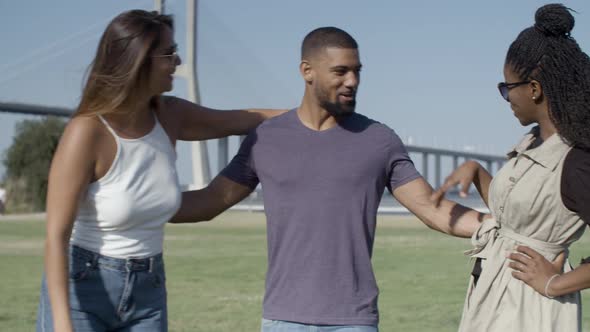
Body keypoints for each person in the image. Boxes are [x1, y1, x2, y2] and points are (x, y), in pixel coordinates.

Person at [171, 27, 485, 332]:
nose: (352, 81)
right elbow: (209, 202)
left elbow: (433, 209)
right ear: (307, 71)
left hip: (354, 320)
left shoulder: (379, 140)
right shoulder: (266, 138)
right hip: (283, 320)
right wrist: (132, 204)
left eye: (357, 71)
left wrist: (500, 225)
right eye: (340, 71)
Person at [36, 10, 284, 332]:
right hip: (83, 286)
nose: (178, 61)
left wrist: (313, 115)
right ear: (137, 61)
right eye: (168, 53)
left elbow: (245, 118)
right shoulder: (87, 132)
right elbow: (56, 236)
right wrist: (62, 324)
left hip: (147, 288)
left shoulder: (170, 115)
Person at [432, 4, 590, 331]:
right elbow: (517, 215)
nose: (505, 98)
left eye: (507, 88)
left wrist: (554, 284)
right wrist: (477, 172)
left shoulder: (576, 162)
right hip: (493, 295)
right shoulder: (531, 144)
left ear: (534, 89)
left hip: (532, 309)